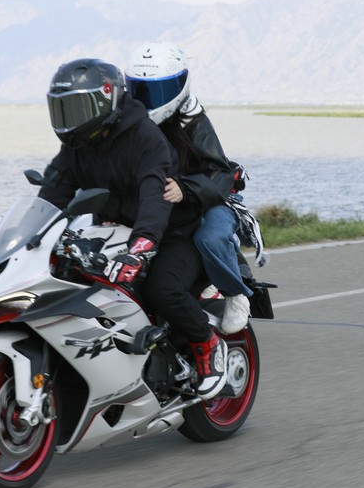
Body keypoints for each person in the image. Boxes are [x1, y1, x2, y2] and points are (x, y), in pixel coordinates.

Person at [38, 58, 228, 400]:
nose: (70, 120)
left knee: (162, 290)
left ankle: (207, 345)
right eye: (63, 110)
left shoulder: (145, 137)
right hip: (115, 235)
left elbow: (155, 196)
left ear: (105, 101)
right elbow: (53, 191)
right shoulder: (77, 146)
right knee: (71, 281)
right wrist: (30, 236)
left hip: (171, 235)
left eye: (77, 108)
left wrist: (141, 247)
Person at [124, 41, 265, 334]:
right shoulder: (132, 124)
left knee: (209, 237)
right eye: (142, 90)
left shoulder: (193, 120)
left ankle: (235, 293)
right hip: (165, 203)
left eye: (158, 91)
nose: (149, 99)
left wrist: (186, 188)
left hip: (210, 199)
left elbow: (220, 173)